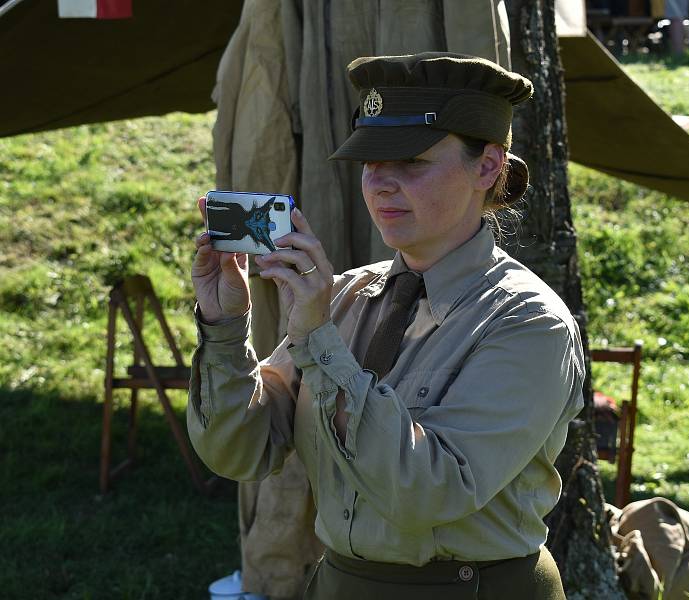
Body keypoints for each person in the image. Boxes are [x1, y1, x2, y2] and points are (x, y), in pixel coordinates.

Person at [189, 52, 585, 598]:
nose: (380, 184)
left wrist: (318, 342)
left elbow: (429, 492)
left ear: (488, 166)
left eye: (412, 161)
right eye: (370, 163)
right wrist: (225, 325)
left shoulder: (527, 322)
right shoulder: (350, 295)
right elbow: (240, 451)